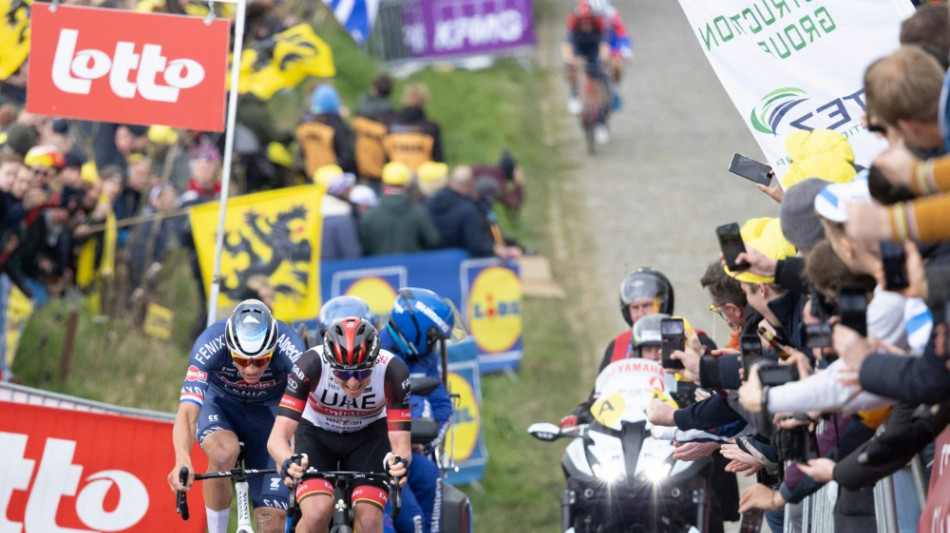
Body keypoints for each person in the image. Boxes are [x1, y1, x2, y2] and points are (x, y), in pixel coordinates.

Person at [167, 299, 307, 533]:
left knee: (270, 526)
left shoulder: (291, 347)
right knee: (223, 454)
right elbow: (188, 413)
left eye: (261, 360)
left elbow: (304, 415)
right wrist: (182, 458)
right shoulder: (210, 342)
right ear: (230, 348)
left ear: (273, 349)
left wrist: (293, 457)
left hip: (270, 415)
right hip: (221, 406)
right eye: (242, 360)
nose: (251, 370)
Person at [268, 317, 411, 533]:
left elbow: (402, 446)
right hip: (316, 433)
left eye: (362, 372)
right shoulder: (311, 365)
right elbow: (277, 438)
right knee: (317, 513)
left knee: (370, 521)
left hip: (368, 436)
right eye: (343, 372)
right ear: (329, 362)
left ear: (375, 361)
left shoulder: (394, 372)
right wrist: (286, 460)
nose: (353, 382)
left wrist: (399, 464)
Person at [380, 287, 456, 533]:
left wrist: (426, 443)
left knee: (430, 475)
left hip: (412, 451)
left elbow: (443, 406)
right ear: (417, 331)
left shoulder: (426, 357)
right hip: (376, 454)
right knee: (412, 521)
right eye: (433, 337)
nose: (434, 344)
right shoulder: (374, 352)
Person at [559, 267, 674, 428]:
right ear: (627, 311)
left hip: (673, 431)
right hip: (623, 431)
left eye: (647, 305)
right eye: (635, 308)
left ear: (662, 304)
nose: (641, 314)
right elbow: (599, 398)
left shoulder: (689, 337)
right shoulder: (618, 345)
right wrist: (580, 414)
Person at [424, 165, 521, 260]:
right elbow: (475, 245)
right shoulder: (469, 210)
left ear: (450, 180)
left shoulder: (428, 201)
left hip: (426, 258)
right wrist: (496, 249)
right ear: (470, 184)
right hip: (455, 263)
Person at [358, 161, 440, 256]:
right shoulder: (418, 211)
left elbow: (365, 247)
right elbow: (433, 240)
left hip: (381, 268)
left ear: (383, 184)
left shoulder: (369, 215)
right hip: (412, 267)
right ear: (406, 185)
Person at [561, 0, 610, 143]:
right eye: (583, 21)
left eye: (589, 21)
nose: (586, 24)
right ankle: (574, 94)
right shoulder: (572, 26)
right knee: (570, 68)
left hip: (594, 49)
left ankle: (601, 121)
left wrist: (602, 61)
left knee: (597, 81)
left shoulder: (600, 25)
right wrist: (570, 62)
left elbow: (604, 47)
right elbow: (566, 47)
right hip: (579, 47)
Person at [296, 84, 356, 178]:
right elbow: (347, 156)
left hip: (312, 176)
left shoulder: (304, 126)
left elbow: (301, 154)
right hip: (334, 179)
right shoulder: (337, 125)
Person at [383, 83, 443, 171]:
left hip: (395, 179)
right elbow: (438, 161)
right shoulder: (430, 128)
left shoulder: (391, 126)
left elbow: (386, 157)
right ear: (425, 101)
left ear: (404, 99)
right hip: (422, 180)